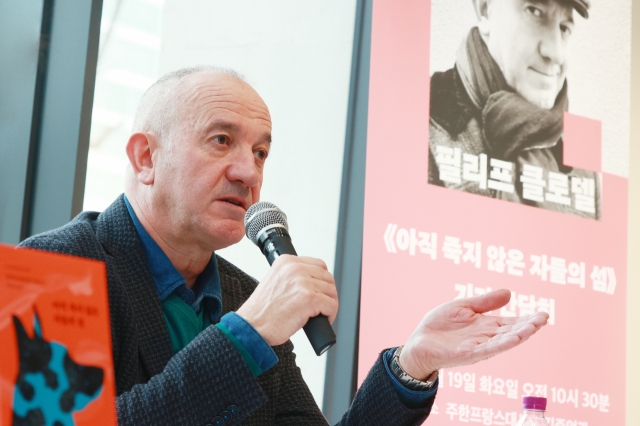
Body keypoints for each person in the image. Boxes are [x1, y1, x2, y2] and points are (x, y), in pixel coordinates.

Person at [20, 66, 548, 426]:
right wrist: (245, 334)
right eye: (221, 140)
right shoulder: (51, 268)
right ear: (144, 158)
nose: (249, 172)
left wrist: (410, 366)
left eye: (262, 151)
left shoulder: (241, 292)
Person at [428, 0, 601, 220]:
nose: (556, 53)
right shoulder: (417, 118)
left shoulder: (582, 156)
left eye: (564, 28)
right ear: (485, 10)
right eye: (535, 12)